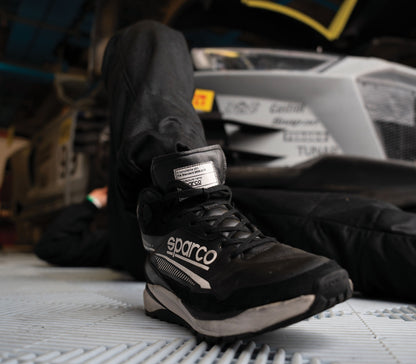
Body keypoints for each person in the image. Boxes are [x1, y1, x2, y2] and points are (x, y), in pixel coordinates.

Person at [35, 20, 416, 340]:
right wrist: (95, 201)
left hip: (229, 221)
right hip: (151, 233)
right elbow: (55, 244)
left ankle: (194, 200)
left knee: (355, 220)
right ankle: (180, 208)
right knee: (149, 36)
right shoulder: (106, 239)